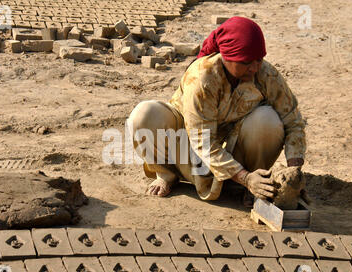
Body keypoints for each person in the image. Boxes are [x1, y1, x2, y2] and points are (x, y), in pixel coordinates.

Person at [128, 16, 306, 206]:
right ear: (227, 57)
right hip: (188, 145)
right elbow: (203, 142)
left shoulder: (265, 74)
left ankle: (256, 181)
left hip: (233, 144)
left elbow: (293, 120)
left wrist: (294, 174)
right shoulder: (202, 78)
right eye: (246, 62)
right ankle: (168, 174)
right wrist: (244, 177)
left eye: (259, 59)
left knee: (268, 120)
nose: (255, 67)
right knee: (144, 114)